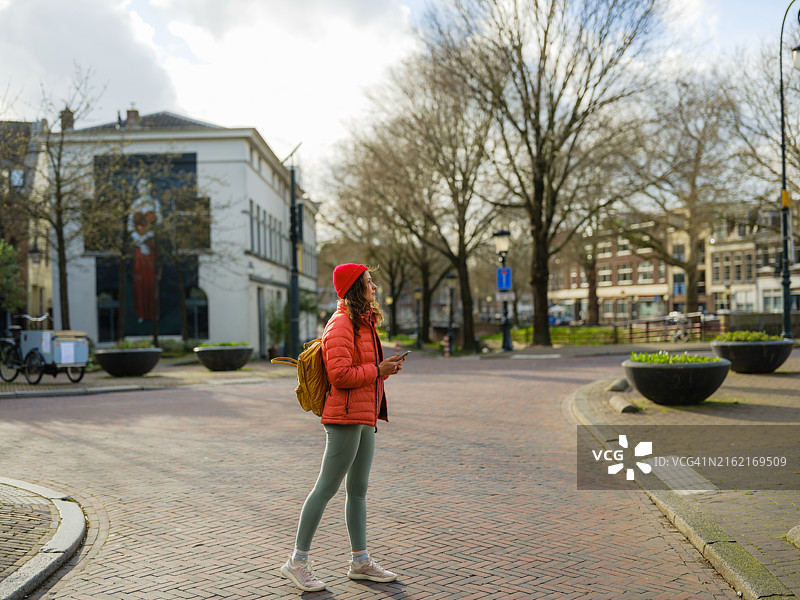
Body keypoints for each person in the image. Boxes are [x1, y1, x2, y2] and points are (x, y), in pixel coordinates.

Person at [280, 263, 405, 592]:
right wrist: (378, 370)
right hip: (345, 418)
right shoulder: (340, 325)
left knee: (359, 489)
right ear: (354, 288)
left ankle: (360, 561)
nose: (374, 287)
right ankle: (297, 561)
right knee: (325, 488)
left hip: (364, 416)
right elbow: (340, 376)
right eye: (368, 281)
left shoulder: (363, 324)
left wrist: (382, 370)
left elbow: (362, 369)